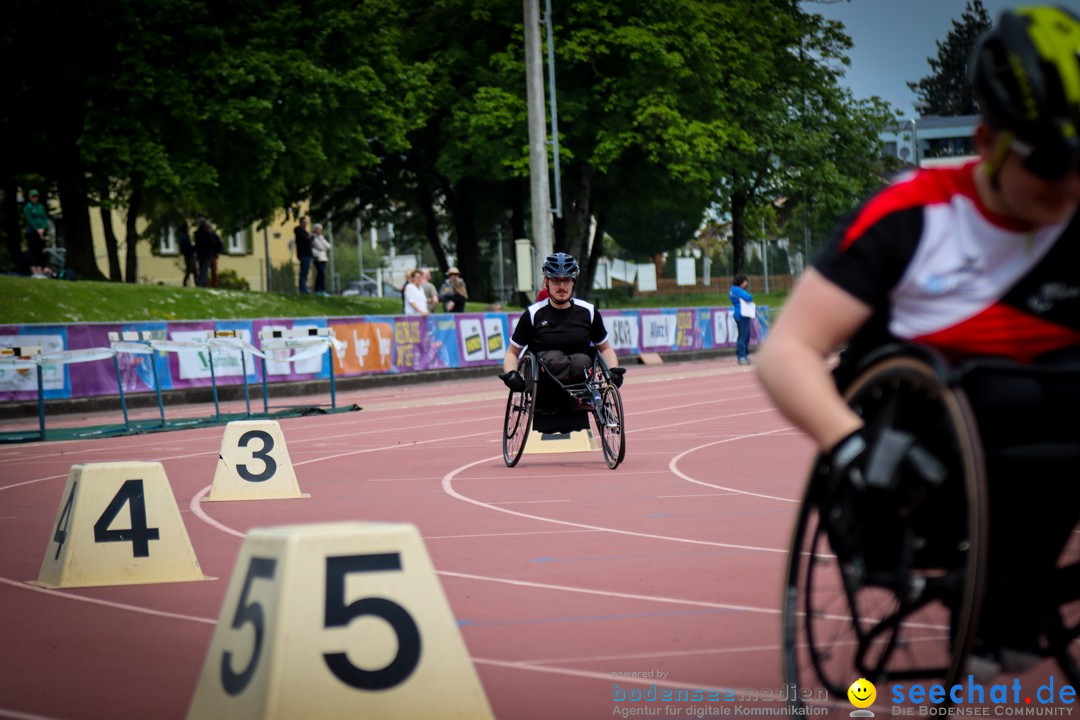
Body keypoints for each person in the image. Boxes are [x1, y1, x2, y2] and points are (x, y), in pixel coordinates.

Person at [756, 5, 1080, 676]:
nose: (1068, 184)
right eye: (1049, 162)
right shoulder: (914, 214)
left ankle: (1015, 597)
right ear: (988, 141)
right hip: (923, 422)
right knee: (1009, 391)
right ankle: (995, 601)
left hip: (1054, 417)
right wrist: (848, 444)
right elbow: (786, 353)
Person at [500, 252, 624, 391]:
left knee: (580, 361)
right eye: (556, 280)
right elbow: (512, 352)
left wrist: (613, 370)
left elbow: (605, 348)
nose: (562, 286)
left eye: (567, 280)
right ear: (547, 282)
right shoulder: (533, 314)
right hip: (543, 386)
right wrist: (511, 374)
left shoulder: (588, 311)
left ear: (573, 282)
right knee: (554, 359)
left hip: (581, 386)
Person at [729, 273, 754, 365]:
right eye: (745, 282)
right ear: (741, 282)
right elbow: (749, 297)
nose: (746, 284)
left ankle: (744, 355)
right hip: (742, 314)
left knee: (745, 335)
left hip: (742, 314)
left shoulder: (734, 290)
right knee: (743, 336)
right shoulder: (736, 290)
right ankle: (742, 356)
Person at [22, 189, 49, 276]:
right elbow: (30, 219)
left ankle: (40, 269)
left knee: (41, 250)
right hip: (32, 231)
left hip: (41, 231)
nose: (35, 198)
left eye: (36, 196)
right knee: (33, 250)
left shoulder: (41, 207)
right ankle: (34, 270)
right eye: (33, 196)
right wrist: (37, 229)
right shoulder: (28, 207)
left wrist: (43, 228)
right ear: (30, 197)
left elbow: (45, 218)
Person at [193, 219, 216, 288]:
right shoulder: (207, 233)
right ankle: (201, 284)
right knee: (204, 270)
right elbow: (212, 243)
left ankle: (200, 283)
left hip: (199, 254)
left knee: (201, 269)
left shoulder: (196, 233)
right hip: (206, 254)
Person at [295, 216, 313, 293]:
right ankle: (303, 289)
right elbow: (306, 239)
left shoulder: (305, 232)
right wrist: (309, 237)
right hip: (303, 254)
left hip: (307, 254)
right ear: (301, 223)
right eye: (304, 222)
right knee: (303, 272)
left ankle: (304, 288)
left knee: (305, 272)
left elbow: (310, 239)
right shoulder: (299, 231)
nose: (306, 224)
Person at [311, 223, 331, 294]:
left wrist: (323, 244)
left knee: (320, 274)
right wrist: (324, 246)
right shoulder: (313, 237)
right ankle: (322, 289)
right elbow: (318, 246)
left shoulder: (321, 237)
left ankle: (317, 290)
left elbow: (328, 246)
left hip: (323, 258)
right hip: (317, 258)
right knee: (321, 273)